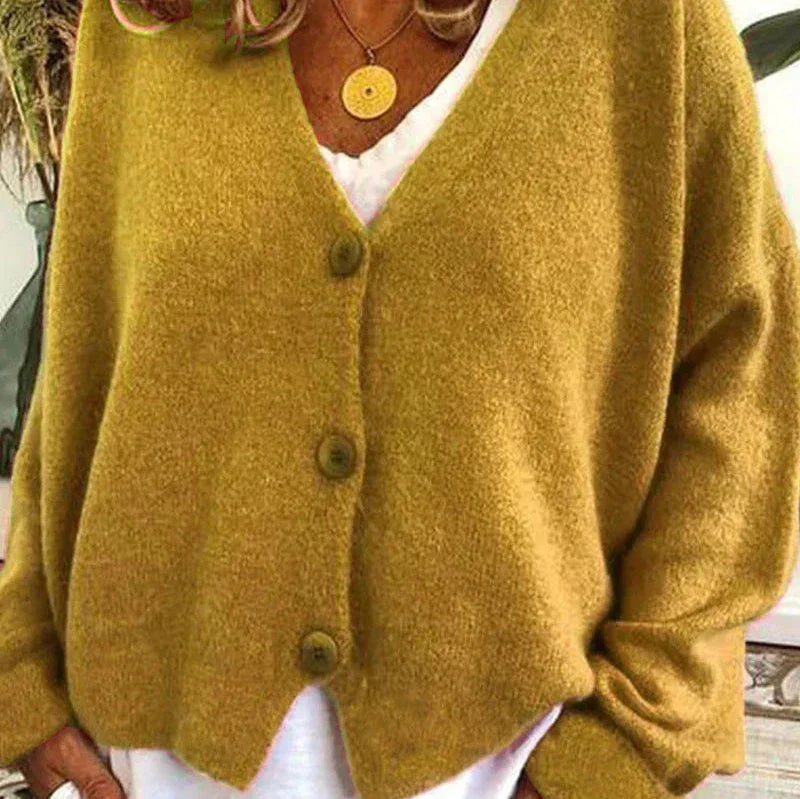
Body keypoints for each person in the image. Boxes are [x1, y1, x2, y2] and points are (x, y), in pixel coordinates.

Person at [2, 0, 800, 796]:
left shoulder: (647, 27)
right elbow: (81, 360)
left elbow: (745, 379)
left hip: (502, 762)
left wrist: (633, 738)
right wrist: (20, 676)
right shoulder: (148, 20)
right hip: (153, 761)